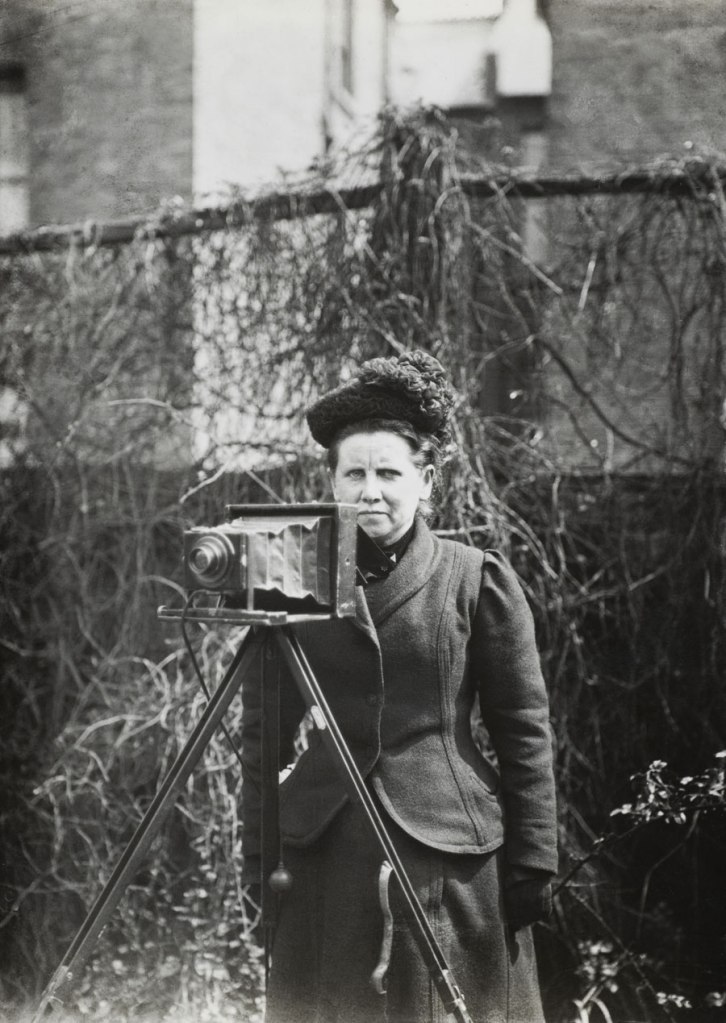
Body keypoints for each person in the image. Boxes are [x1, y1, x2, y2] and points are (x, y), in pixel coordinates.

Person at [240, 349, 558, 1023]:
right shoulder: (294, 581)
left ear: (428, 480)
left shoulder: (476, 580)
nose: (371, 490)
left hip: (451, 860)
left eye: (389, 471)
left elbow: (523, 730)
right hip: (323, 859)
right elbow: (260, 736)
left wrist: (534, 860)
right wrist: (257, 855)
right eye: (354, 472)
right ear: (331, 482)